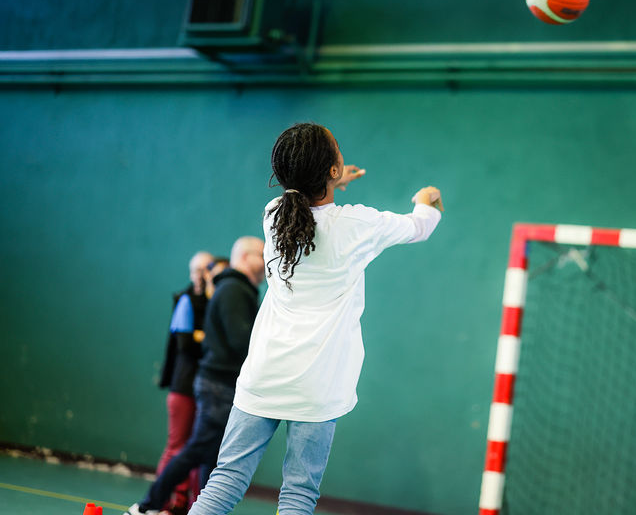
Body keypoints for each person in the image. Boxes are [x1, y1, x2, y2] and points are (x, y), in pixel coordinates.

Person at [186, 122, 442, 515]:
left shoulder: (274, 215)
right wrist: (426, 201)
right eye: (337, 152)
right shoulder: (358, 225)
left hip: (265, 372)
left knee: (224, 482)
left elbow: (310, 209)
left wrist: (333, 184)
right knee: (298, 495)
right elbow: (419, 226)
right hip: (318, 384)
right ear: (332, 171)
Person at [126, 237, 266, 515]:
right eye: (262, 255)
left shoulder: (236, 289)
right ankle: (147, 506)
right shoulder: (234, 290)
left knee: (210, 456)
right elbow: (241, 341)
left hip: (221, 384)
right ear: (247, 257)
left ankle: (196, 509)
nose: (267, 262)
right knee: (197, 450)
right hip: (218, 386)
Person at [156, 251, 214, 514]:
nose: (202, 275)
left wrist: (203, 336)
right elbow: (186, 344)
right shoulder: (185, 301)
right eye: (197, 270)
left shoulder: (217, 300)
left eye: (207, 269)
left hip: (206, 389)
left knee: (198, 451)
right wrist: (205, 338)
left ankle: (193, 505)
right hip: (183, 388)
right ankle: (164, 501)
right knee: (176, 447)